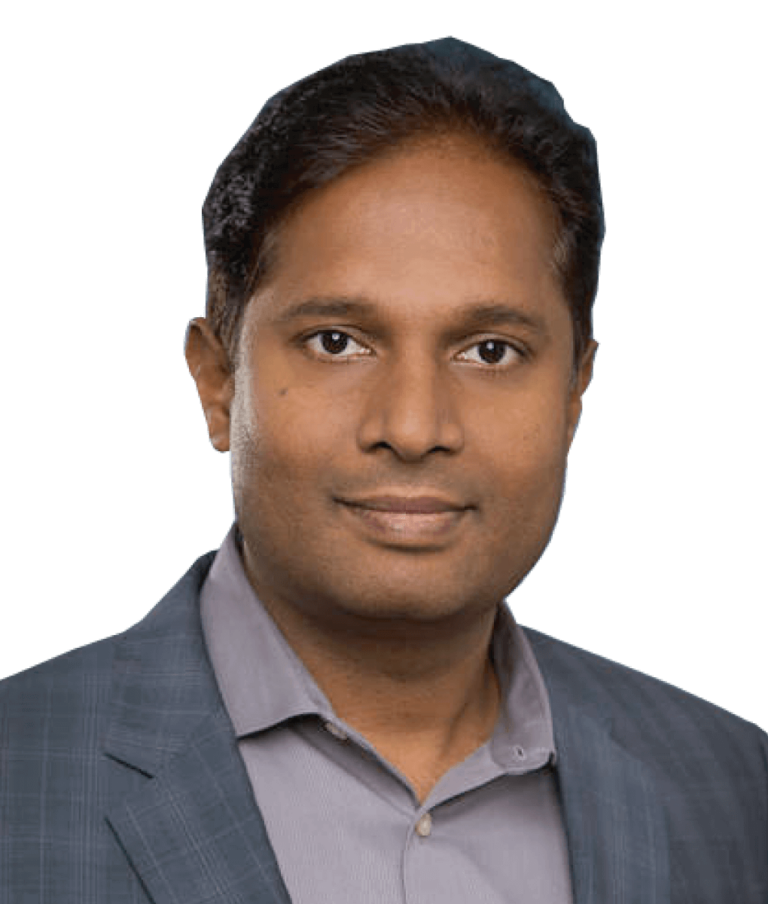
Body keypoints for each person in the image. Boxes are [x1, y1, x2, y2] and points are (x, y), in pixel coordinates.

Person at [1, 37, 765, 904]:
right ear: (216, 381)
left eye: (489, 350)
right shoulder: (16, 771)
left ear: (575, 393)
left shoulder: (735, 782)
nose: (412, 428)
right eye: (338, 342)